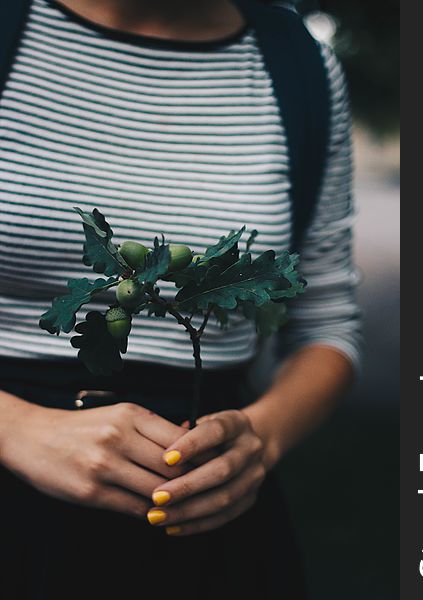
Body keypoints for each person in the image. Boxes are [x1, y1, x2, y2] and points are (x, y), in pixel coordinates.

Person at [0, 0, 362, 598]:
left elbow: (328, 323)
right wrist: (15, 430)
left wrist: (261, 437)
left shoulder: (298, 67)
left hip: (205, 525)